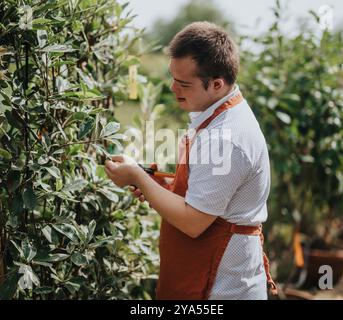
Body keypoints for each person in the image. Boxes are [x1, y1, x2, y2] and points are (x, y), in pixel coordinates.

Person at [104, 21, 277, 300]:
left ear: (217, 84)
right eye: (173, 77)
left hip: (221, 287)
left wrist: (137, 178)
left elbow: (193, 221)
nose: (173, 88)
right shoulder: (217, 112)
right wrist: (155, 182)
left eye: (184, 83)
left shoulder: (225, 138)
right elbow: (210, 192)